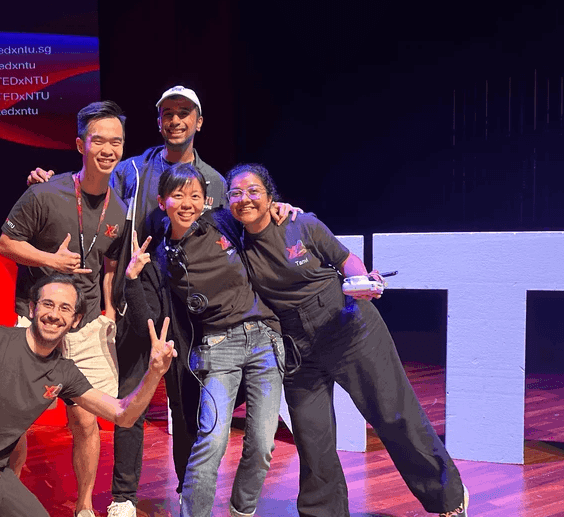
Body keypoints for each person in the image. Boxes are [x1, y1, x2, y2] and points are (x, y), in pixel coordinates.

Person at [27, 86, 296, 517]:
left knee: (185, 403)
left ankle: (189, 496)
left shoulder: (215, 181)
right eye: (168, 113)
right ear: (158, 121)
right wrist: (53, 182)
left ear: (198, 122)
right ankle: (124, 497)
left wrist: (279, 208)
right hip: (138, 290)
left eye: (184, 113)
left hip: (191, 307)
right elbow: (88, 186)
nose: (176, 120)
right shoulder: (132, 169)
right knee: (132, 391)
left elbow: (245, 219)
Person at [224, 163, 470, 517]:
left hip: (347, 326)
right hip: (296, 346)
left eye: (253, 191)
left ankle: (449, 498)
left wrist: (362, 280)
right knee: (312, 439)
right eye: (235, 192)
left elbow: (346, 259)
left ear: (270, 197)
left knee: (394, 414)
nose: (244, 199)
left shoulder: (300, 224)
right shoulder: (235, 240)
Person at [0, 274, 177, 517]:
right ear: (33, 308)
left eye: (65, 308)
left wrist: (153, 373)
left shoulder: (64, 372)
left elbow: (123, 415)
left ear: (75, 320)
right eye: (47, 304)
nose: (54, 314)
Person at [0, 101, 128, 517]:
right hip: (38, 320)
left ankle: (85, 507)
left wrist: (107, 310)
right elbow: (6, 244)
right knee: (16, 419)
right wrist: (51, 261)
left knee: (87, 421)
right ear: (80, 144)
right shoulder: (43, 193)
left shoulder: (119, 208)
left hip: (86, 326)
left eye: (116, 141)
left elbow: (108, 264)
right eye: (99, 140)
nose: (108, 149)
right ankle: (5, 499)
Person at [141, 163, 285, 517]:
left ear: (206, 199)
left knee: (263, 444)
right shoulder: (162, 255)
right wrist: (132, 277)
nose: (187, 203)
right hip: (218, 348)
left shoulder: (222, 221)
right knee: (212, 440)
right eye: (178, 196)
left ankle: (241, 511)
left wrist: (282, 207)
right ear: (163, 202)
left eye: (194, 195)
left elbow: (256, 214)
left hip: (265, 339)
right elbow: (150, 305)